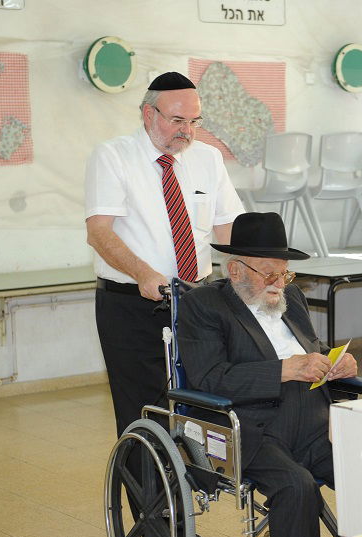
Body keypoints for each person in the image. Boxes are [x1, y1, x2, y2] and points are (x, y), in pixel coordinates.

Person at [177, 212, 359, 537]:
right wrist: (284, 370)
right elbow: (210, 377)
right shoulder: (204, 305)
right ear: (235, 270)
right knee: (296, 486)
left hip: (314, 426)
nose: (279, 283)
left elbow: (312, 347)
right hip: (251, 428)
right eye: (269, 274)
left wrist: (337, 363)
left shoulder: (293, 298)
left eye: (284, 274)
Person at [85, 71, 244, 437]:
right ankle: (151, 494)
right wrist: (144, 274)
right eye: (177, 120)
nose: (186, 131)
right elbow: (99, 232)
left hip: (197, 301)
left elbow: (228, 228)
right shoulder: (113, 157)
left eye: (193, 122)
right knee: (146, 412)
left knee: (203, 406)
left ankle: (191, 489)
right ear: (148, 114)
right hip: (133, 306)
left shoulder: (208, 158)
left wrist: (248, 274)